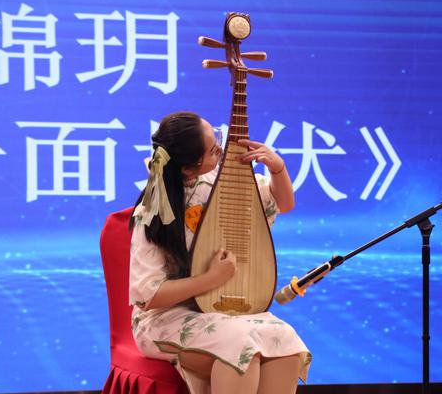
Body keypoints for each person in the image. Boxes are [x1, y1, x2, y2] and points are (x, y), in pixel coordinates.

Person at [128, 111, 311, 394]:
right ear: (188, 167)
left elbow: (283, 203)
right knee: (241, 349)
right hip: (167, 317)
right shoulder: (154, 209)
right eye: (213, 151)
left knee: (283, 342)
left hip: (221, 309)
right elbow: (148, 296)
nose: (221, 152)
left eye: (218, 143)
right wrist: (211, 279)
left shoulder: (222, 182)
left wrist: (277, 169)